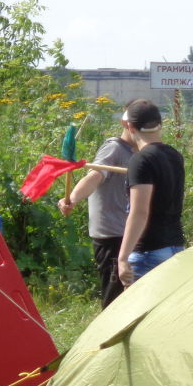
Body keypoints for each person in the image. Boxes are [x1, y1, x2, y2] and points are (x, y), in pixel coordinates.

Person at [57, 122, 135, 307]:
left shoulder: (140, 151)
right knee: (114, 296)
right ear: (129, 125)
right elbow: (94, 176)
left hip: (131, 232)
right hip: (113, 234)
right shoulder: (114, 148)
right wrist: (73, 198)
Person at [116, 99, 186, 287]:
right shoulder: (174, 155)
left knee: (139, 314)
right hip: (175, 246)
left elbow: (140, 212)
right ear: (159, 124)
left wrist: (122, 257)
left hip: (149, 251)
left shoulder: (141, 160)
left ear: (130, 127)